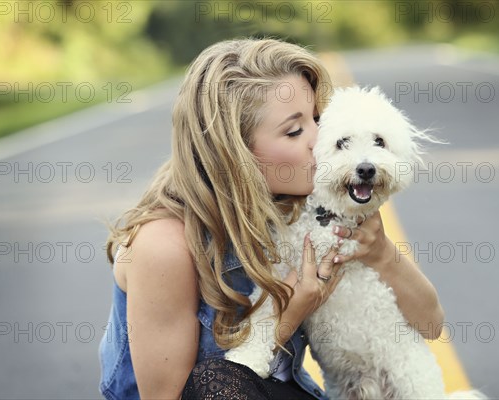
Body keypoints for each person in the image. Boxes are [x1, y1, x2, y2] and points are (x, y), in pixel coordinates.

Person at [98, 37, 444, 400]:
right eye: (295, 131)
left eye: (316, 119)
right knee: (211, 380)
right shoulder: (163, 246)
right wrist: (291, 312)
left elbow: (431, 325)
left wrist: (381, 254)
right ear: (234, 153)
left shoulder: (305, 207)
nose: (318, 139)